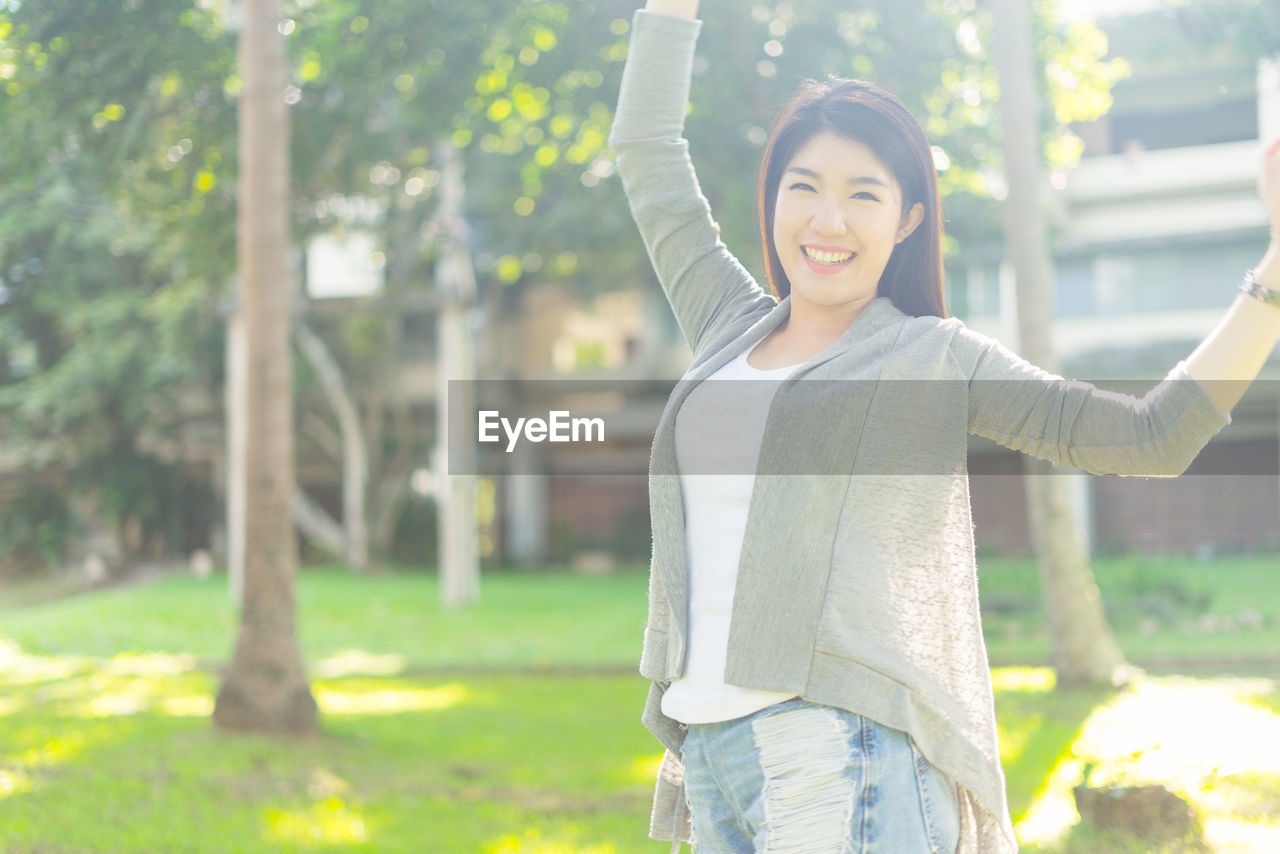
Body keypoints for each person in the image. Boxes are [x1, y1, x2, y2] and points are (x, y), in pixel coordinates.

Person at [607, 1, 1280, 852]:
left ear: (909, 219)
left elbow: (1154, 435)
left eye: (864, 195)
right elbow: (646, 156)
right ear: (773, 198)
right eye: (804, 187)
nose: (828, 221)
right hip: (708, 758)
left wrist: (1276, 265)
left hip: (838, 755)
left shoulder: (932, 358)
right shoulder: (725, 322)